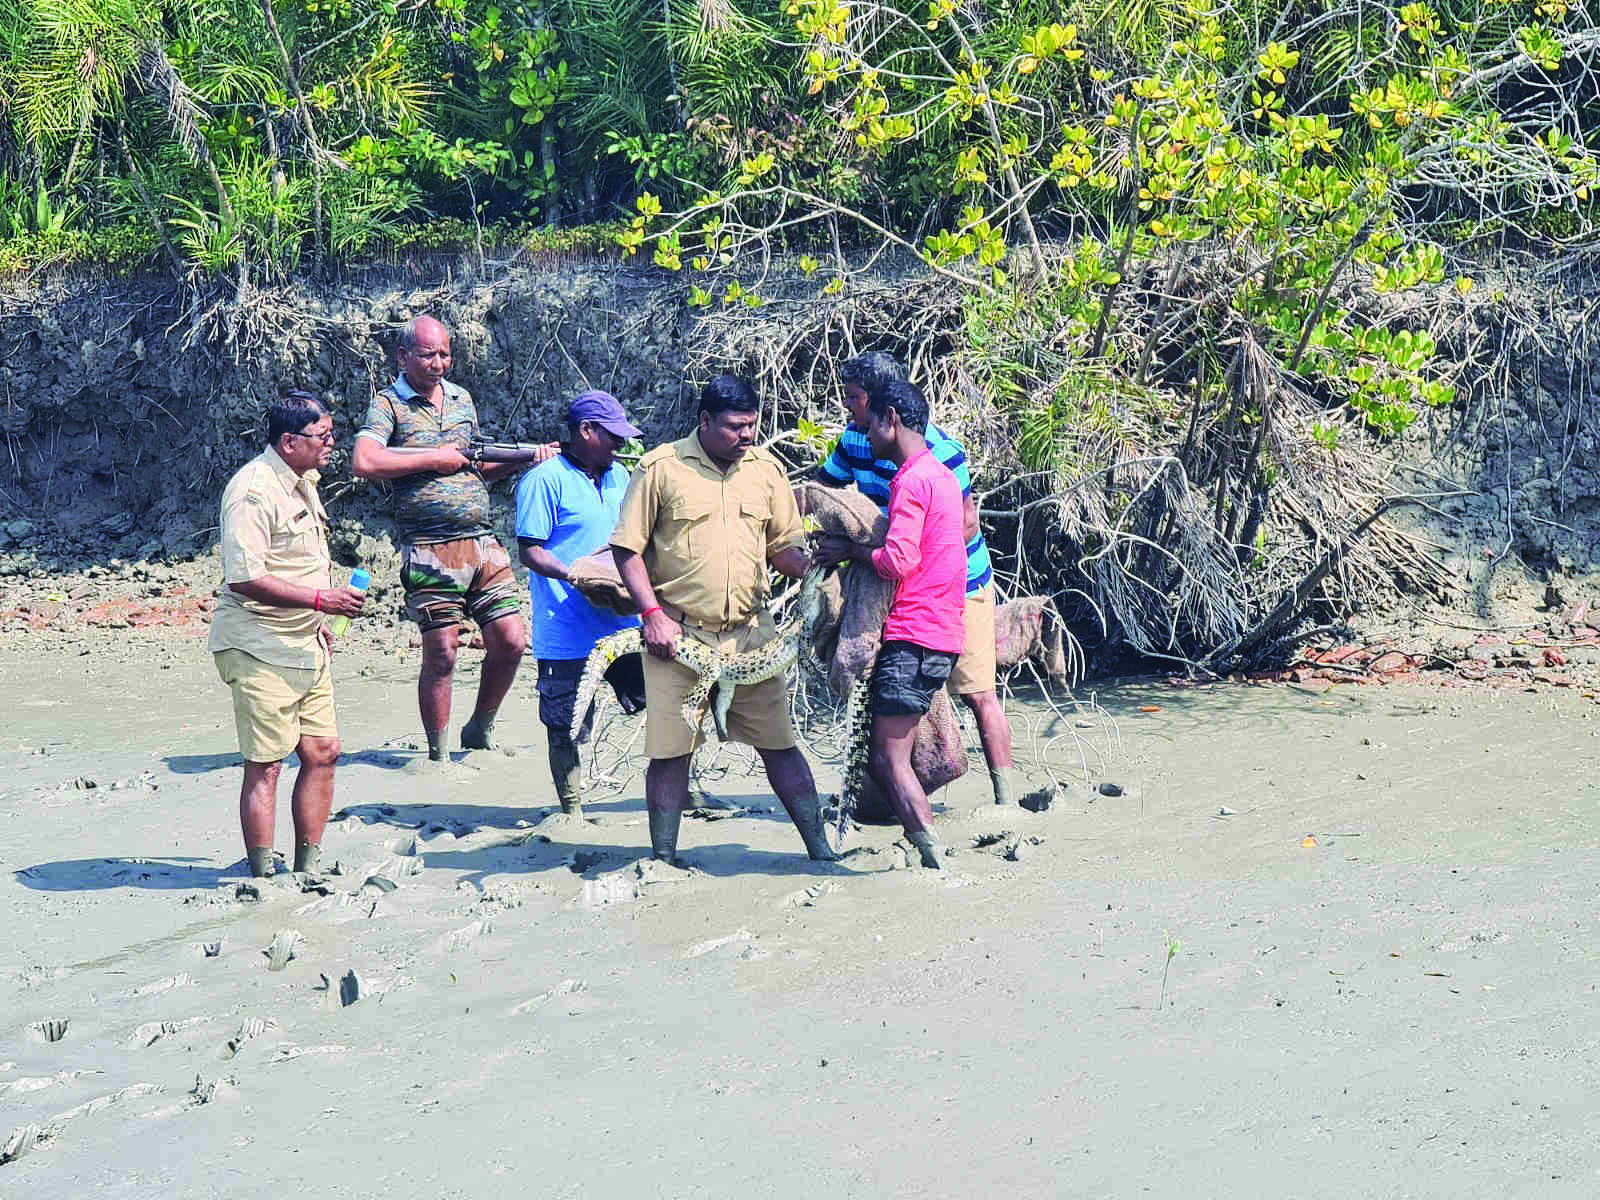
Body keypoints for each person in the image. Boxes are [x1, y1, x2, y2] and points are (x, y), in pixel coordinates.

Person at [610, 374, 836, 866]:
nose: (747, 436)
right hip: (678, 637)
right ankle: (663, 860)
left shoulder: (766, 471)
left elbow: (783, 548)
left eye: (752, 425)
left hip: (752, 637)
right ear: (705, 421)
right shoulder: (660, 469)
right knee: (671, 753)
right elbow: (627, 550)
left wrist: (816, 566)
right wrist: (651, 615)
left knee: (780, 745)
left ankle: (821, 851)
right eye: (735, 427)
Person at [814, 351, 1017, 806]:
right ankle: (890, 795)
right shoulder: (853, 440)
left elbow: (965, 524)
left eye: (853, 399)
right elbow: (824, 491)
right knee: (887, 695)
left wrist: (886, 548)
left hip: (953, 583)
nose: (847, 408)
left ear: (883, 405)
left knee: (978, 692)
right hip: (892, 581)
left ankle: (1006, 800)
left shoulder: (939, 451)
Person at [352, 315, 554, 761]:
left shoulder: (462, 400)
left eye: (444, 353)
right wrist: (432, 458)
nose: (438, 363)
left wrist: (527, 458)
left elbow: (474, 465)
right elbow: (365, 460)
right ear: (403, 356)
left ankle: (479, 728)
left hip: (483, 543)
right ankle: (437, 755)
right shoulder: (389, 404)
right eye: (428, 354)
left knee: (512, 640)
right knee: (442, 652)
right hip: (429, 546)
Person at [208, 392, 367, 878]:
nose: (332, 444)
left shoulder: (303, 480)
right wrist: (322, 601)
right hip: (257, 643)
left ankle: (308, 867)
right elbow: (245, 577)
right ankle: (261, 874)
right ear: (289, 441)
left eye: (331, 433)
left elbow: (298, 563)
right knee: (267, 764)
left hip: (306, 641)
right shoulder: (252, 491)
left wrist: (321, 618)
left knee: (323, 752)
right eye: (323, 436)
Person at [815, 380, 967, 869]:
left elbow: (898, 559)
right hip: (941, 633)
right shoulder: (942, 476)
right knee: (891, 752)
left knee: (888, 758)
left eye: (870, 423)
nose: (865, 433)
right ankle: (924, 844)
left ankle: (933, 858)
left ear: (892, 420)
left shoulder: (910, 480)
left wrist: (851, 551)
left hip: (914, 634)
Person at [515, 390, 647, 819]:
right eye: (613, 436)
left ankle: (684, 793)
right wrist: (573, 574)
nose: (620, 445)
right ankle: (571, 810)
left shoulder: (620, 478)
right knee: (565, 727)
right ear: (586, 431)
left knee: (665, 703)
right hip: (566, 629)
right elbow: (530, 550)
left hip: (624, 624)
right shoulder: (543, 479)